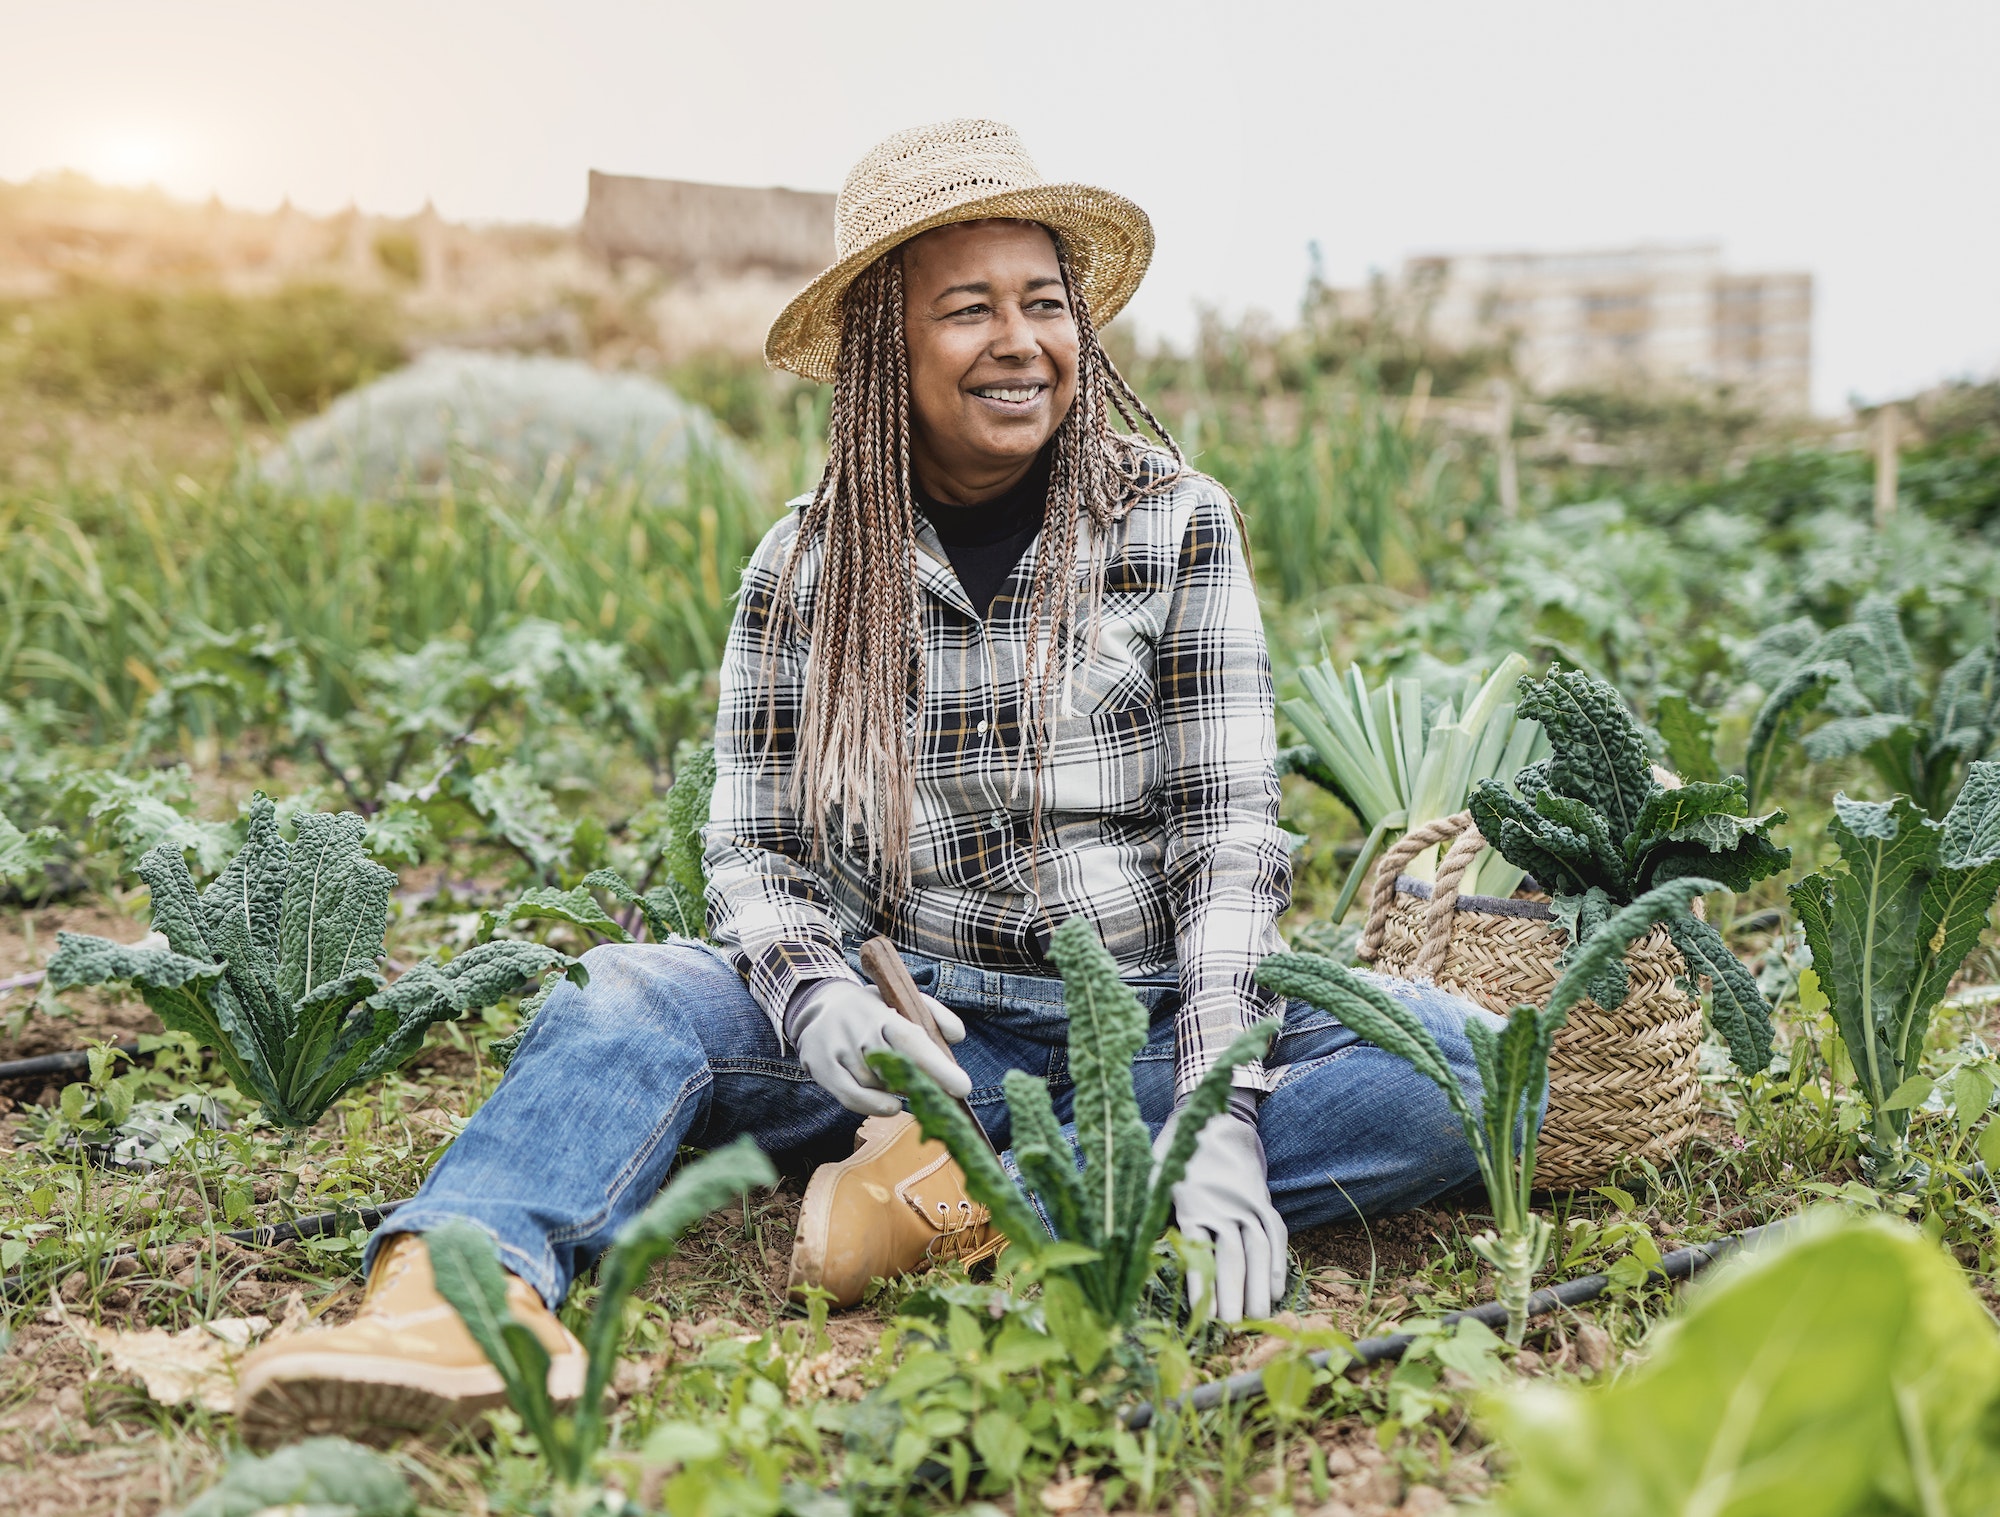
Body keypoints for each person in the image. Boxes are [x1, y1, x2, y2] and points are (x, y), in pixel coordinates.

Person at [236, 119, 1500, 1446]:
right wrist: (821, 998)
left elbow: (1232, 839)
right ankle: (452, 1302)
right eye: (969, 310)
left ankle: (969, 1198)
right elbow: (756, 848)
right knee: (624, 995)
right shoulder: (805, 563)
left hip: (1131, 1026)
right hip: (909, 1047)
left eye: (1044, 304)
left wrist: (1219, 1105)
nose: (1020, 341)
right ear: (883, 351)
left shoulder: (1175, 523)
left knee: (1467, 1066)